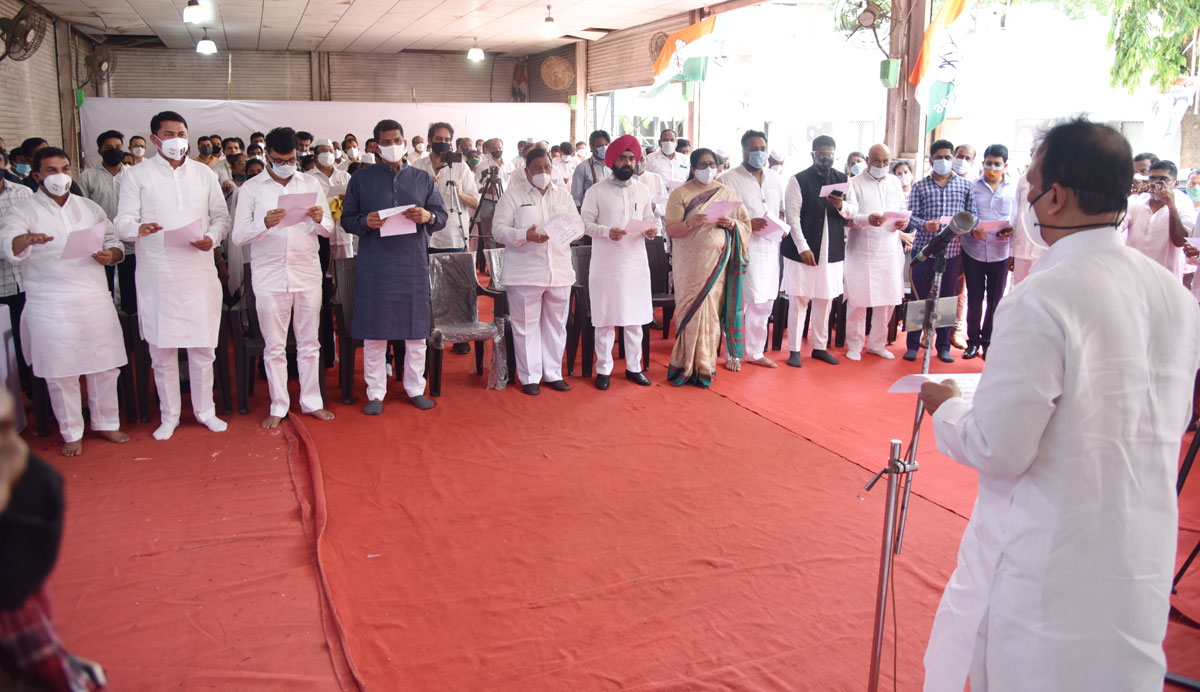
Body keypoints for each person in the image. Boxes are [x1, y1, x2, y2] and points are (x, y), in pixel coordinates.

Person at [917, 117, 1200, 692]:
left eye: (1030, 179)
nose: (1024, 190)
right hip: (1138, 544)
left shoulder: (1040, 296)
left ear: (1058, 195)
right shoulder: (1171, 292)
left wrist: (945, 406)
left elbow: (999, 448)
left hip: (1049, 554)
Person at [1, 147, 129, 457]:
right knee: (61, 372)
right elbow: (9, 243)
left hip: (93, 297)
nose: (59, 176)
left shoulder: (88, 208)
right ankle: (72, 431)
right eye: (50, 170)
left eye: (64, 168)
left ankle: (106, 422)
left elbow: (114, 243)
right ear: (37, 176)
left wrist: (109, 255)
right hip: (50, 302)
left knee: (104, 366)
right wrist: (27, 240)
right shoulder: (23, 211)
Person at [115, 110, 231, 440]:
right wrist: (139, 228)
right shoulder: (136, 175)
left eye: (182, 133)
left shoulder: (203, 174)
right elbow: (121, 222)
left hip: (198, 269)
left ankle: (205, 410)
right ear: (154, 139)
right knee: (162, 350)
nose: (176, 140)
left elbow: (221, 217)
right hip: (158, 273)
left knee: (202, 347)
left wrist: (213, 237)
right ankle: (170, 415)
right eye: (168, 134)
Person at [231, 127, 335, 429]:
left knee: (309, 342)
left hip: (306, 272)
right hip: (269, 275)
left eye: (291, 159)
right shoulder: (251, 189)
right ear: (266, 156)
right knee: (274, 345)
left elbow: (329, 229)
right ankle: (278, 404)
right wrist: (263, 224)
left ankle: (311, 401)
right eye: (279, 159)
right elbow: (238, 237)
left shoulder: (311, 182)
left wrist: (319, 219)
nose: (286, 165)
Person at [341, 119, 446, 413]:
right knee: (375, 331)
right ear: (375, 146)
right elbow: (347, 219)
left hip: (411, 265)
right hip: (376, 265)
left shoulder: (423, 179)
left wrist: (427, 216)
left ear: (404, 141)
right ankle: (375, 392)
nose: (392, 146)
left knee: (416, 331)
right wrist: (366, 222)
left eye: (397, 140)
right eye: (385, 142)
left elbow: (441, 215)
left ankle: (415, 388)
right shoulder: (361, 180)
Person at [492, 147, 577, 395]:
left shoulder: (563, 196)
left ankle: (553, 373)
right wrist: (523, 235)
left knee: (557, 325)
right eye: (537, 168)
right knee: (525, 325)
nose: (543, 172)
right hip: (525, 271)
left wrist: (568, 232)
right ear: (527, 171)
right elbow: (498, 231)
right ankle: (530, 376)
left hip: (559, 270)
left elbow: (578, 225)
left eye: (547, 167)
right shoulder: (512, 196)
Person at [663, 148, 751, 387]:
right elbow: (671, 229)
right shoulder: (680, 194)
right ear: (692, 168)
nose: (708, 168)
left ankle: (705, 365)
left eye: (712, 164)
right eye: (702, 164)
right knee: (691, 311)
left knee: (711, 314)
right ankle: (685, 365)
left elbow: (745, 224)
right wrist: (689, 223)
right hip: (689, 264)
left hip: (716, 264)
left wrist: (732, 224)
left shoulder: (726, 192)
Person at [579, 135, 656, 389]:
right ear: (612, 160)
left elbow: (648, 218)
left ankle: (634, 367)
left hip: (635, 263)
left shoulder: (642, 190)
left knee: (635, 319)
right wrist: (605, 231)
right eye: (622, 157)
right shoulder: (596, 191)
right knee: (605, 319)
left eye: (631, 158)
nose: (627, 162)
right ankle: (603, 370)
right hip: (607, 265)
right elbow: (584, 225)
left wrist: (650, 230)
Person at [782, 134, 858, 367]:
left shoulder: (843, 179)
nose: (826, 158)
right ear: (813, 154)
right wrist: (803, 247)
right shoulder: (799, 180)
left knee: (825, 299)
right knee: (799, 299)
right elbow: (792, 216)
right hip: (802, 249)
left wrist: (841, 205)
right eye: (821, 154)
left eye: (829, 154)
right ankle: (794, 350)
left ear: (836, 155)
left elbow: (853, 210)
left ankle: (820, 347)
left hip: (831, 249)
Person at [903, 139, 978, 363]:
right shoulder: (919, 186)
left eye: (948, 157)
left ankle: (943, 346)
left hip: (952, 253)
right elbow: (910, 217)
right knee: (918, 299)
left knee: (946, 300)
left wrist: (967, 226)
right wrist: (924, 225)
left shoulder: (965, 186)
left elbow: (973, 215)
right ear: (931, 160)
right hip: (924, 251)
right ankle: (912, 346)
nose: (944, 161)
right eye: (939, 157)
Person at [718, 129, 785, 368]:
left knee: (764, 303)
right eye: (753, 148)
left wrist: (781, 226)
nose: (758, 153)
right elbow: (718, 217)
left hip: (770, 248)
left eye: (762, 148)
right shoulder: (726, 179)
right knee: (739, 303)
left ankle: (756, 352)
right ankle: (732, 354)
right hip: (742, 249)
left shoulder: (776, 178)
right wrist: (746, 224)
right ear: (743, 150)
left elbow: (781, 211)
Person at [845, 143, 909, 361]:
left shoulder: (894, 182)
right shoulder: (854, 183)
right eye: (876, 161)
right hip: (862, 250)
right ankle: (854, 345)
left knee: (887, 298)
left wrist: (902, 223)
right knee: (858, 299)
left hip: (890, 249)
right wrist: (867, 219)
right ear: (867, 159)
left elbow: (902, 209)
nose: (881, 165)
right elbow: (849, 218)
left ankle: (877, 344)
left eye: (885, 162)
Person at [960, 144, 1016, 360]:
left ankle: (988, 342)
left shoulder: (1013, 188)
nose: (992, 167)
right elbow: (964, 216)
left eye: (997, 164)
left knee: (995, 299)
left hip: (1000, 252)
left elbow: (1017, 218)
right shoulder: (972, 187)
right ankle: (972, 341)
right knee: (974, 297)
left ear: (1005, 165)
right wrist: (972, 230)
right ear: (982, 163)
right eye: (989, 163)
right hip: (973, 249)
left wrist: (1011, 229)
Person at [78, 130, 134, 308]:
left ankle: (130, 321)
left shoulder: (133, 175)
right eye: (109, 148)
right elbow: (82, 208)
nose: (114, 150)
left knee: (130, 287)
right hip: (101, 242)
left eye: (118, 147)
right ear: (100, 150)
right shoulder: (88, 176)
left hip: (130, 240)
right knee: (104, 286)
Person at [412, 122, 479, 253]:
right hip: (423, 236)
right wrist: (423, 189)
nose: (443, 142)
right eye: (438, 139)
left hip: (452, 237)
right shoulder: (417, 166)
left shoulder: (461, 166)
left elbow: (475, 203)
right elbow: (408, 201)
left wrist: (459, 193)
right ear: (430, 140)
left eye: (447, 139)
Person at [1124, 160, 1195, 281]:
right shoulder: (1137, 200)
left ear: (1176, 184)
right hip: (1134, 275)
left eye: (1163, 180)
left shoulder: (1183, 203)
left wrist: (1171, 206)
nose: (1156, 184)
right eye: (1152, 179)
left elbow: (1180, 241)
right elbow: (1118, 224)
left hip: (1166, 279)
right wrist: (1123, 197)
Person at [0, 175, 31, 391]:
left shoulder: (22, 193)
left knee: (27, 345)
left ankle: (35, 394)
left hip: (25, 281)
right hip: (1, 286)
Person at [1007, 172, 1045, 285]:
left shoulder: (1059, 177)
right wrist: (1012, 252)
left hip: (1043, 250)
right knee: (1019, 288)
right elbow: (1014, 216)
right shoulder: (1023, 179)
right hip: (1021, 249)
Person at [570, 130, 612, 209]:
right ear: (592, 147)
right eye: (600, 146)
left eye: (606, 145)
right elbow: (576, 199)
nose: (604, 148)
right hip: (590, 212)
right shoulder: (582, 167)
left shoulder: (613, 167)